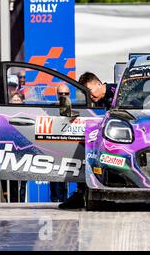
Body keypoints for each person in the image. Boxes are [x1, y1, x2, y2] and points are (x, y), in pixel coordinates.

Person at [58, 73, 117, 209]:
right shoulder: (94, 101)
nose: (90, 96)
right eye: (86, 93)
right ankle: (80, 194)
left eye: (89, 91)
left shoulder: (117, 91)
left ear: (99, 84)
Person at [50, 84, 70, 202]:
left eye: (66, 94)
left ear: (69, 94)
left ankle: (66, 200)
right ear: (56, 95)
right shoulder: (51, 108)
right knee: (54, 178)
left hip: (69, 148)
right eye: (60, 94)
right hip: (53, 148)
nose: (63, 96)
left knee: (67, 178)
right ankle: (55, 200)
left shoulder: (76, 108)